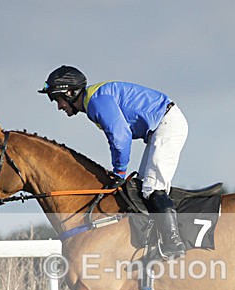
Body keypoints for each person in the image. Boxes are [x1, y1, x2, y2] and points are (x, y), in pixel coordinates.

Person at [38, 65, 188, 260]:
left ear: (69, 92)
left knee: (152, 188)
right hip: (161, 126)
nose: (59, 106)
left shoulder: (96, 102)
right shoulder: (94, 100)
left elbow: (120, 136)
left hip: (167, 124)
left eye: (57, 99)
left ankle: (174, 245)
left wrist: (119, 172)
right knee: (142, 187)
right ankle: (155, 241)